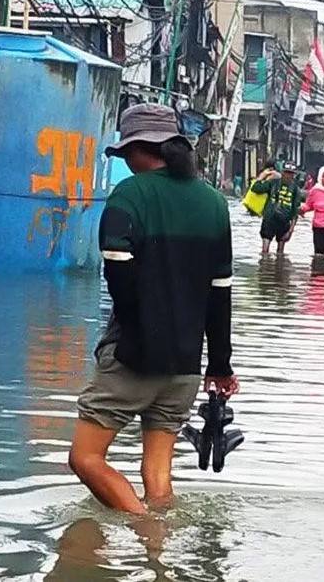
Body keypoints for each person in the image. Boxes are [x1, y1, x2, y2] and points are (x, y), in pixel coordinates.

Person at [70, 103, 239, 515]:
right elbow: (220, 293)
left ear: (138, 150)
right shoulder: (214, 203)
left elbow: (120, 278)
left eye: (127, 153)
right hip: (185, 365)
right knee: (158, 476)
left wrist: (136, 337)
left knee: (85, 458)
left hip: (135, 358)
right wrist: (220, 365)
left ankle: (145, 527)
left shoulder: (130, 194)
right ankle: (159, 563)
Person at [250, 160, 305, 255]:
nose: (288, 176)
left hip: (284, 222)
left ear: (294, 175)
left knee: (280, 253)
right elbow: (255, 188)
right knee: (265, 252)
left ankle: (279, 268)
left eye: (291, 173)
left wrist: (291, 231)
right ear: (282, 172)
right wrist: (262, 176)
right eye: (286, 172)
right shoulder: (273, 183)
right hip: (269, 219)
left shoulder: (296, 190)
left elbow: (295, 212)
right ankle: (265, 268)